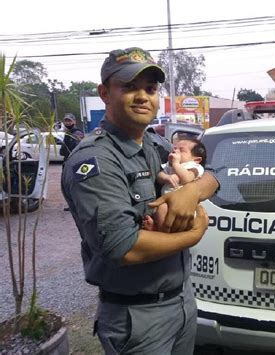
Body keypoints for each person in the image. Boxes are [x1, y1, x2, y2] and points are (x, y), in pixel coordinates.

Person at [61, 47, 219, 355]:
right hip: (138, 318)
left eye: (150, 88)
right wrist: (194, 234)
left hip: (182, 301)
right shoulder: (96, 159)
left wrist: (192, 191)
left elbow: (212, 177)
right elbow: (122, 247)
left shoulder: (154, 144)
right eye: (129, 87)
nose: (142, 96)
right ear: (105, 93)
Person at [143, 138, 207, 232]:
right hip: (166, 200)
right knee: (156, 210)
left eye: (181, 150)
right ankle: (157, 228)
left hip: (183, 205)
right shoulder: (169, 166)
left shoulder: (194, 167)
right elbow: (159, 176)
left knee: (162, 209)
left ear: (196, 159)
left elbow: (187, 178)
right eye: (174, 149)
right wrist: (166, 177)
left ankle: (163, 233)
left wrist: (176, 163)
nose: (175, 152)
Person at [59, 113, 84, 211]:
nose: (67, 122)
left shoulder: (77, 133)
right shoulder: (68, 133)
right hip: (67, 161)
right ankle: (72, 204)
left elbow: (77, 149)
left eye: (69, 121)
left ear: (74, 121)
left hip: (74, 163)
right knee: (68, 184)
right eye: (66, 121)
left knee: (75, 185)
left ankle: (77, 205)